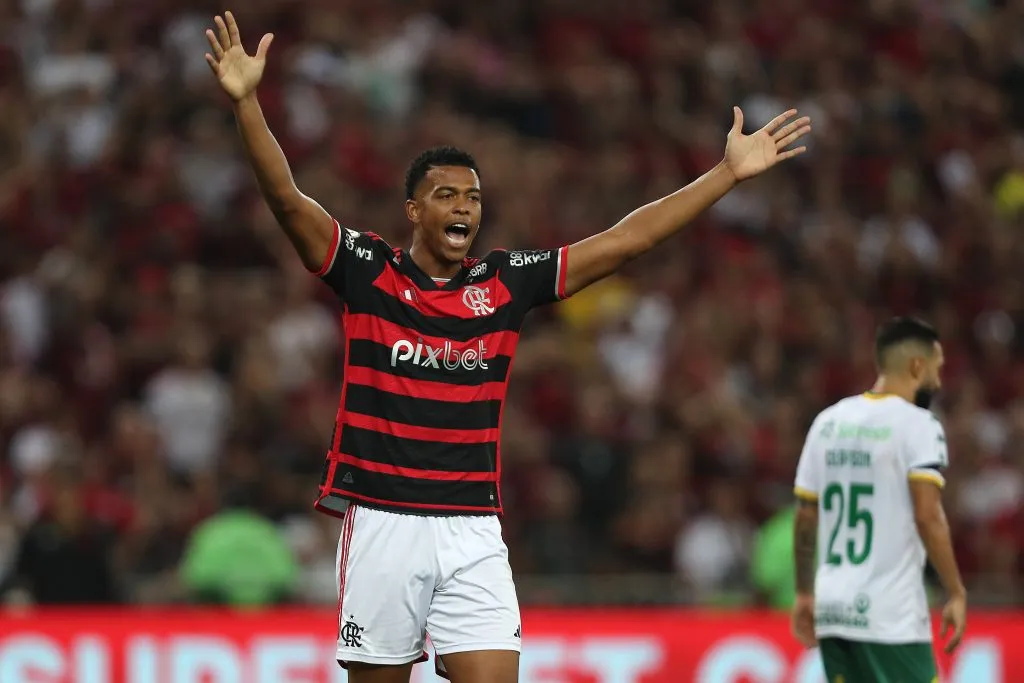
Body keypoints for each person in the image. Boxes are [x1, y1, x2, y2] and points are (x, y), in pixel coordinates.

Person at [203, 11, 810, 683]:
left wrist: (724, 176)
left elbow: (624, 241)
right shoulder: (367, 271)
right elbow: (288, 202)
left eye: (474, 196)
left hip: (472, 527)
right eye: (446, 194)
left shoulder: (504, 281)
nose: (464, 206)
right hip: (385, 521)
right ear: (413, 209)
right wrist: (248, 103)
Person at [791, 317, 967, 683]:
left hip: (834, 610)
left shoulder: (827, 422)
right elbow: (927, 514)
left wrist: (805, 593)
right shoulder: (920, 425)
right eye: (937, 366)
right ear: (918, 365)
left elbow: (806, 516)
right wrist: (955, 590)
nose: (938, 377)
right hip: (890, 617)